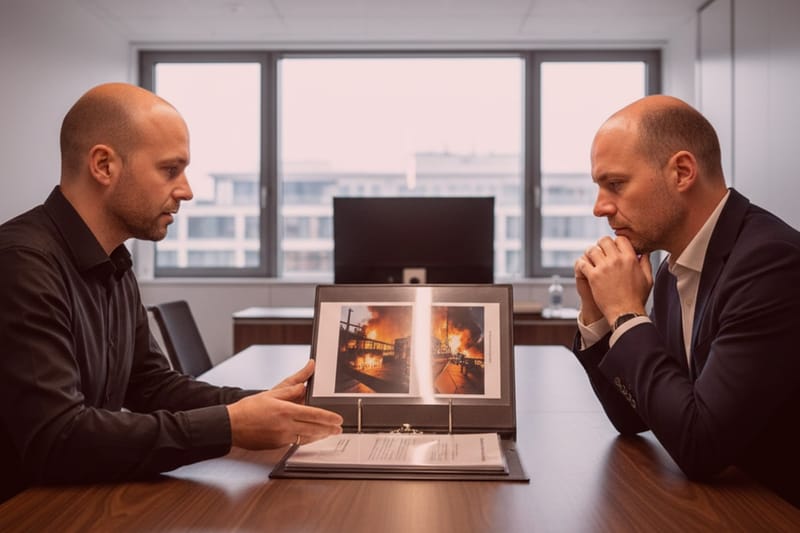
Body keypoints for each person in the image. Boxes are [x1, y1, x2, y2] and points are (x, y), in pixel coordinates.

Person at [0, 82, 343, 502]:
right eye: (169, 170)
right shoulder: (21, 263)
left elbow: (152, 385)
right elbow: (57, 437)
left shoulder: (114, 262)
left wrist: (266, 406)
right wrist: (229, 426)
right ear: (104, 165)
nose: (187, 190)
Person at [572, 94, 800, 507]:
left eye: (616, 184)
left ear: (682, 171)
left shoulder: (771, 264)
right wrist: (600, 315)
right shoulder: (671, 268)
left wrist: (626, 312)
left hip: (775, 510)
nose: (599, 207)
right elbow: (635, 417)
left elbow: (702, 447)